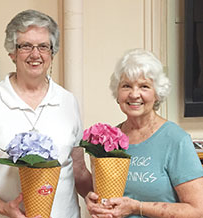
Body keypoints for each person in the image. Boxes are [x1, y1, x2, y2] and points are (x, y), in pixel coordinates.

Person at [0, 9, 92, 218]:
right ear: (12, 52)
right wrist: (4, 208)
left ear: (52, 52)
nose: (35, 54)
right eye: (26, 46)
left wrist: (95, 196)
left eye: (43, 46)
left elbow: (78, 170)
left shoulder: (68, 101)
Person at [85, 48, 203, 218]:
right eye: (126, 86)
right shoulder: (109, 140)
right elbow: (106, 196)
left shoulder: (175, 140)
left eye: (144, 86)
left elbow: (197, 210)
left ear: (157, 94)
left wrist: (137, 207)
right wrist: (94, 201)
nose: (134, 94)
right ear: (117, 93)